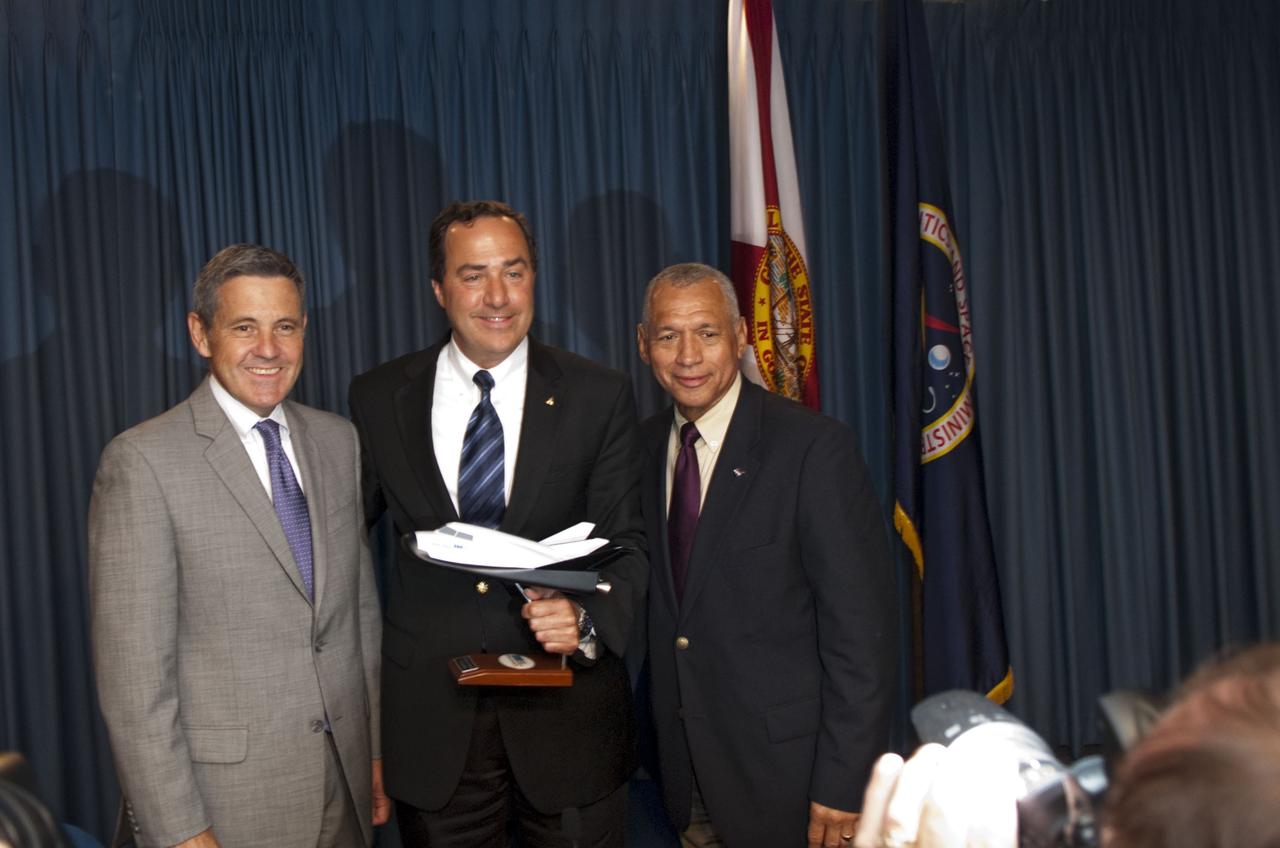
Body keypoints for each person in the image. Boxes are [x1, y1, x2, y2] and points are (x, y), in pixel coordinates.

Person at [347, 200, 647, 847]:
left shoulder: (600, 394)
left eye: (514, 272)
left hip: (570, 728)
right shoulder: (377, 398)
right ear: (439, 288)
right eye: (473, 274)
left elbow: (630, 545)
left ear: (535, 277)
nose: (498, 296)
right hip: (434, 730)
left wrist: (586, 617)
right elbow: (336, 541)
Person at [89, 245, 386, 848]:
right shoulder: (143, 462)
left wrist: (373, 754)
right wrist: (179, 830)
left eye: (285, 327)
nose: (269, 349)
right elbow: (135, 684)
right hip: (225, 808)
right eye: (244, 327)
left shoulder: (338, 442)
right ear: (201, 334)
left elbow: (358, 617)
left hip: (345, 787)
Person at [634, 263, 897, 848]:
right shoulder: (641, 448)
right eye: (669, 335)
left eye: (707, 332)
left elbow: (861, 636)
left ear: (742, 335)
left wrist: (845, 781)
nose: (688, 356)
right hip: (684, 776)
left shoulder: (812, 450)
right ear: (643, 343)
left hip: (796, 783)